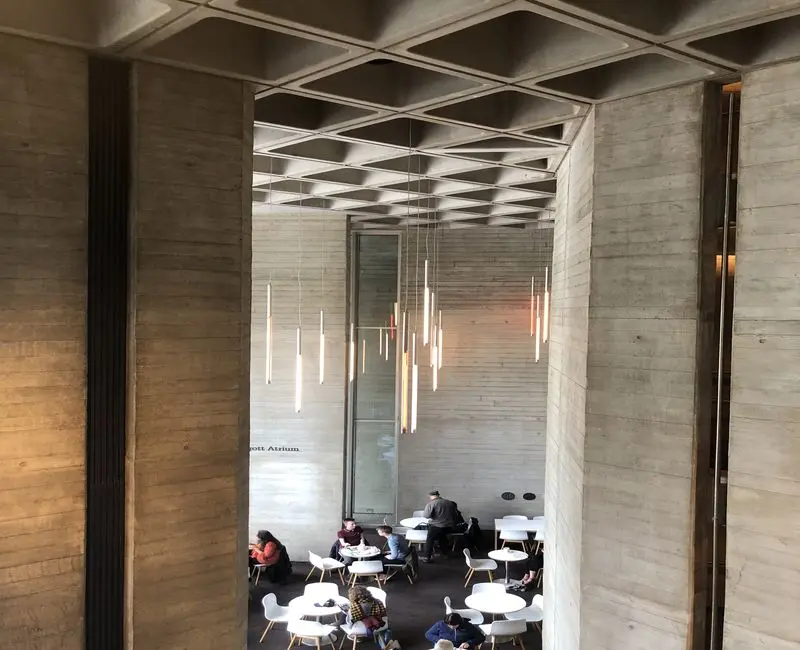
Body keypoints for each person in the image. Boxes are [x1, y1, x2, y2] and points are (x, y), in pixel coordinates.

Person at [343, 586, 398, 650]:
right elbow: (383, 613)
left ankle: (357, 636)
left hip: (359, 628)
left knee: (345, 616)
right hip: (379, 623)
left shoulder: (354, 607)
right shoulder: (378, 601)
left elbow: (351, 620)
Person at [422, 490, 458, 562]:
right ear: (438, 495)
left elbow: (426, 516)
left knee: (430, 540)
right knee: (442, 539)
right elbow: (455, 515)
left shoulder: (431, 503)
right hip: (448, 526)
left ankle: (426, 557)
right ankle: (445, 554)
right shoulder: (449, 503)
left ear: (430, 496)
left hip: (436, 526)